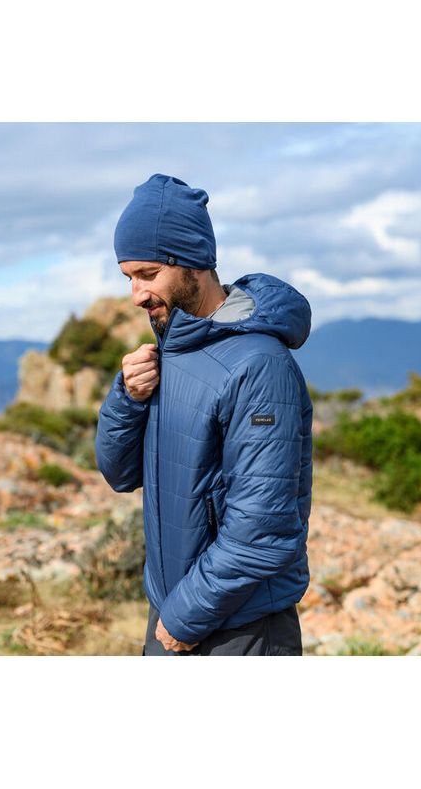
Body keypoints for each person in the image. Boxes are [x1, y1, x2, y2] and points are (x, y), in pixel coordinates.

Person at [94, 173, 313, 656]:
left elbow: (263, 528)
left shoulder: (259, 365)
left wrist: (184, 617)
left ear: (193, 261)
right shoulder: (171, 352)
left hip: (240, 626)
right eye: (128, 277)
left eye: (148, 274)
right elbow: (118, 473)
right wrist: (128, 399)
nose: (136, 295)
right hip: (174, 609)